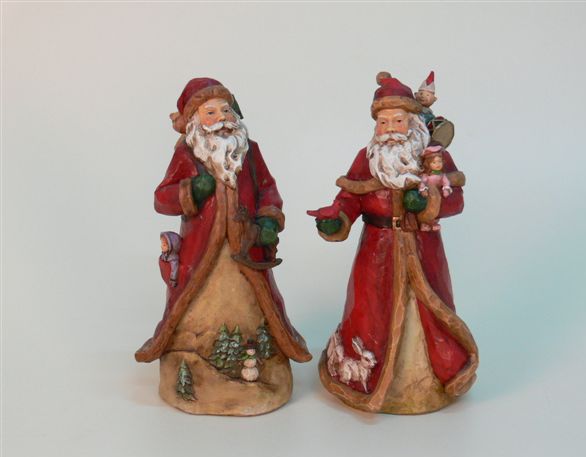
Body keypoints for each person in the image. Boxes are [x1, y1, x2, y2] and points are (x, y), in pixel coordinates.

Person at [136, 77, 311, 416]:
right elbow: (162, 197)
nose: (222, 118)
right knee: (196, 306)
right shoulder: (187, 154)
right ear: (194, 120)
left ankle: (263, 363)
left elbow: (268, 190)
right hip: (202, 253)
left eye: (226, 110)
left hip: (246, 249)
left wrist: (269, 220)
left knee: (253, 303)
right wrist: (191, 190)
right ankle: (191, 358)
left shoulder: (250, 151)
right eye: (211, 112)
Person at [308, 72, 478, 414]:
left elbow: (456, 199)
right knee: (372, 311)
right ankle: (369, 377)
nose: (389, 129)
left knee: (430, 311)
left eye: (397, 121)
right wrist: (337, 218)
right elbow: (350, 198)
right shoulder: (367, 157)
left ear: (412, 121)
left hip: (423, 248)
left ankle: (430, 375)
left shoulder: (432, 157)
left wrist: (429, 201)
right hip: (377, 249)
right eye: (382, 122)